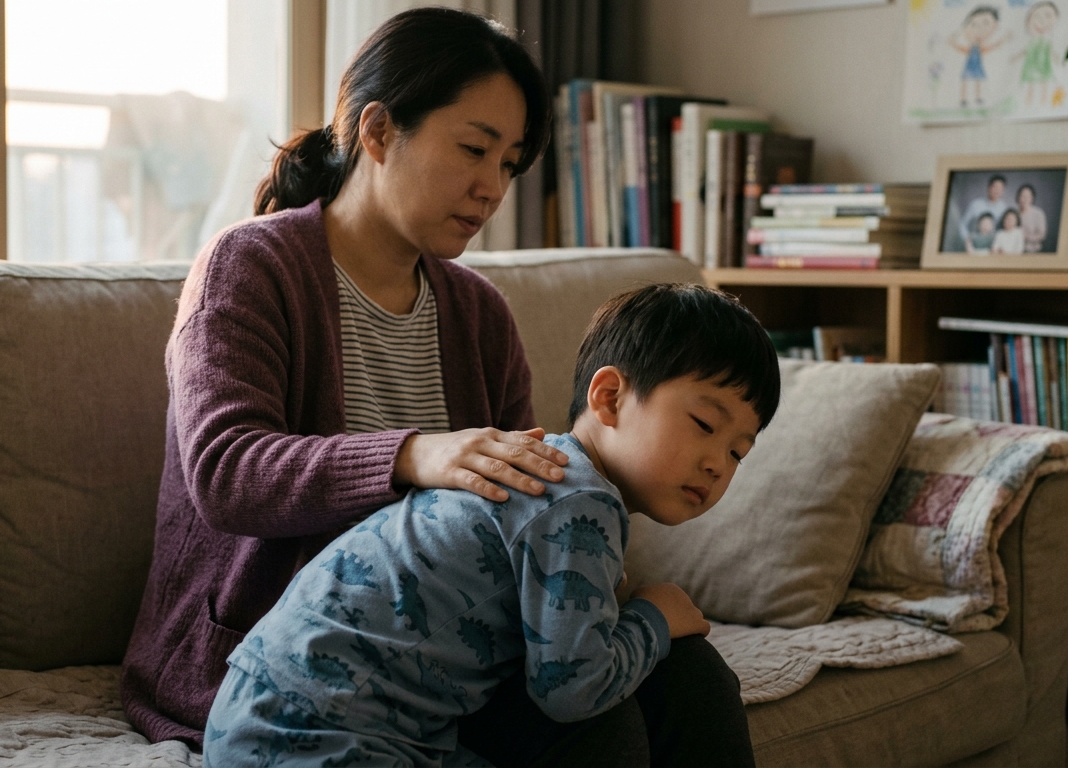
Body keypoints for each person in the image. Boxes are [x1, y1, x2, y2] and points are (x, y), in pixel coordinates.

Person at [121, 7, 758, 764]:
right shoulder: (252, 267)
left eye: (510, 163)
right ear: (379, 131)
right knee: (597, 729)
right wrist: (414, 455)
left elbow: (534, 495)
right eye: (473, 149)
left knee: (694, 677)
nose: (492, 188)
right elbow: (225, 474)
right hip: (292, 672)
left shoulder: (479, 312)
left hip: (453, 658)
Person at [204, 283, 778, 767]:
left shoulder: (547, 476)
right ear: (608, 397)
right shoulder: (578, 502)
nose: (716, 463)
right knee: (659, 687)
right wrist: (656, 616)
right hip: (315, 737)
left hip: (254, 717)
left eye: (738, 453)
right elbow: (573, 689)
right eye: (705, 424)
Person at [948, 5, 1012, 108]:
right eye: (973, 24)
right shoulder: (971, 48)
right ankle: (963, 99)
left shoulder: (980, 49)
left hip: (977, 66)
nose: (979, 30)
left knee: (977, 81)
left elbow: (991, 47)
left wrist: (1004, 40)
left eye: (986, 24)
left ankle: (977, 98)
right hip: (969, 66)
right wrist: (952, 42)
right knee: (965, 81)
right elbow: (961, 49)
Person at [959, 174, 1010, 249]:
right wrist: (967, 239)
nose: (997, 190)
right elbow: (962, 224)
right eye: (995, 187)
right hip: (974, 245)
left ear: (1003, 191)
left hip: (994, 248)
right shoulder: (976, 204)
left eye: (1000, 188)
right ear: (989, 187)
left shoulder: (1004, 208)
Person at [1015, 183, 1048, 252]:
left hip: (1033, 251)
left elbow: (1042, 235)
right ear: (1018, 197)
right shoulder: (1014, 213)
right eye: (1022, 196)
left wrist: (1026, 237)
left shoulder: (1038, 213)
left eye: (1028, 196)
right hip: (1015, 251)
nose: (1025, 199)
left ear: (1032, 198)